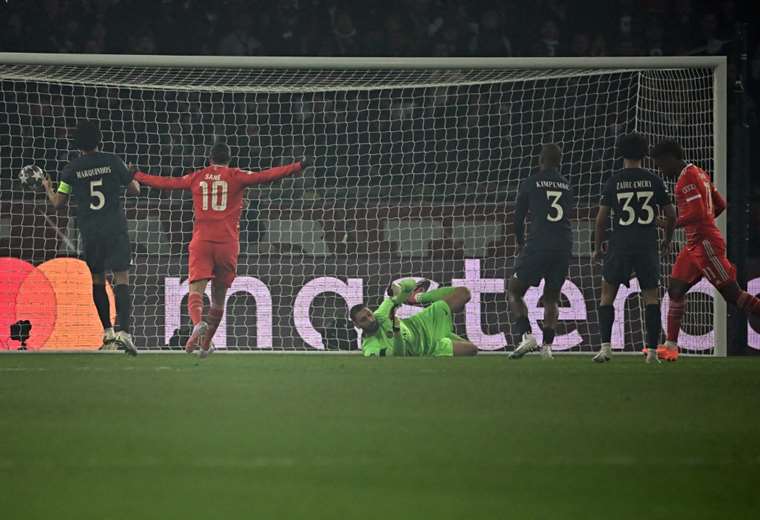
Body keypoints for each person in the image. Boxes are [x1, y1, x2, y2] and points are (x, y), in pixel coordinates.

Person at [133, 143, 308, 357]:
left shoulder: (197, 177)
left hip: (202, 242)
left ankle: (197, 323)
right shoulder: (236, 176)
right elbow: (267, 175)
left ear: (209, 158)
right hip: (227, 244)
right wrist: (298, 165)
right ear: (229, 158)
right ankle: (205, 345)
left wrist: (138, 175)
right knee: (218, 299)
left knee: (195, 290)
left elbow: (167, 183)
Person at [653, 140, 760, 361]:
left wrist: (670, 223)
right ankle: (671, 346)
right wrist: (701, 225)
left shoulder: (687, 179)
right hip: (694, 244)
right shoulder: (699, 172)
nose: (661, 170)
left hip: (706, 245)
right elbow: (719, 204)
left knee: (734, 295)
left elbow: (700, 213)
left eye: (661, 164)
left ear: (670, 158)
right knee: (675, 290)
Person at [42, 120, 140, 355]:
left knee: (97, 280)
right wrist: (130, 173)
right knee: (122, 279)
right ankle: (124, 334)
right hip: (115, 228)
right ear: (99, 140)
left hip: (91, 231)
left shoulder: (71, 169)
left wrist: (47, 186)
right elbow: (135, 190)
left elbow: (58, 203)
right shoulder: (113, 161)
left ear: (77, 145)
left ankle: (107, 334)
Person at [592, 133, 676, 363]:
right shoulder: (653, 180)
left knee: (607, 294)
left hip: (621, 243)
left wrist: (598, 247)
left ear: (620, 153)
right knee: (651, 297)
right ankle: (650, 352)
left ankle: (606, 348)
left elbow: (601, 220)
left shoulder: (614, 181)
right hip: (647, 244)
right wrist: (667, 239)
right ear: (645, 154)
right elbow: (671, 214)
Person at [508, 144, 574, 359]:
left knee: (515, 291)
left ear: (540, 160)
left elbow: (518, 219)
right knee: (552, 298)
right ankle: (547, 347)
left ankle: (526, 336)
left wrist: (519, 242)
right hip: (563, 244)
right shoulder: (566, 185)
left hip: (538, 244)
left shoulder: (530, 182)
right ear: (559, 162)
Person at [350, 279, 478, 357]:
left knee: (463, 293)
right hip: (428, 348)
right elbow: (398, 355)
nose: (370, 319)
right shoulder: (370, 348)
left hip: (423, 323)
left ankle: (418, 298)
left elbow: (410, 284)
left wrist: (401, 289)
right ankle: (445, 338)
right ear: (357, 325)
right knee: (472, 349)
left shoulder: (381, 315)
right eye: (363, 319)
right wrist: (397, 330)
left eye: (369, 314)